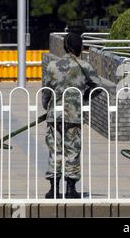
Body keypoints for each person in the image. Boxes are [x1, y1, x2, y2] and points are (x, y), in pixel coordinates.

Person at [42, 32, 102, 199]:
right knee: (72, 150)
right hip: (73, 114)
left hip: (55, 114)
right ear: (79, 48)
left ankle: (53, 188)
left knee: (55, 150)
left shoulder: (53, 66)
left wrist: (46, 106)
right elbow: (98, 85)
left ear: (65, 46)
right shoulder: (84, 66)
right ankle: (70, 188)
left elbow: (46, 90)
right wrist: (83, 96)